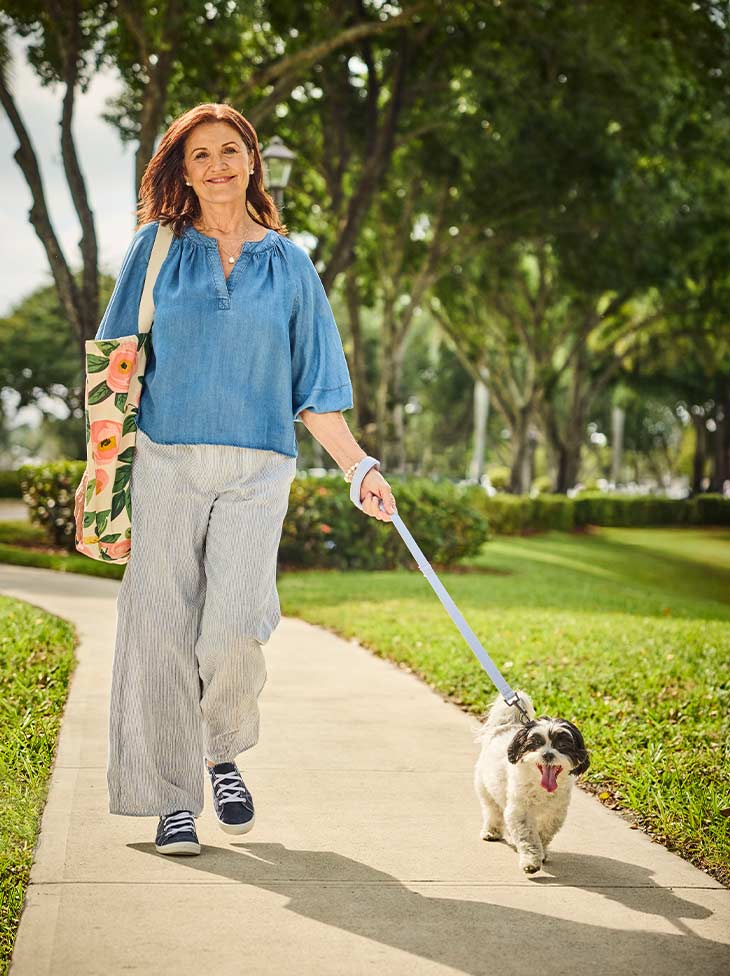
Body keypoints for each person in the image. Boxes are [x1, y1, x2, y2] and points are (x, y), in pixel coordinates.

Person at [74, 102, 397, 856]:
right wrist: (102, 469)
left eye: (229, 150)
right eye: (199, 156)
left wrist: (360, 468)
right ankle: (171, 797)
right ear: (182, 172)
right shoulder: (156, 250)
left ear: (252, 160)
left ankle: (219, 752)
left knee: (234, 629)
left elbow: (315, 386)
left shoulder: (290, 262)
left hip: (258, 468)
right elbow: (116, 364)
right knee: (157, 628)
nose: (216, 165)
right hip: (164, 460)